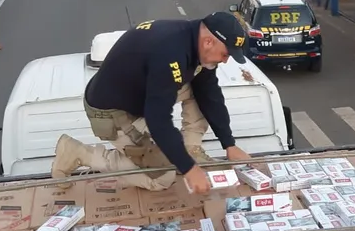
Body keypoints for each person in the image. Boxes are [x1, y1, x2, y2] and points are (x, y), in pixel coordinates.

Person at [50, 12, 252, 194]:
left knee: (199, 89)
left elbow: (209, 93)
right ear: (209, 42)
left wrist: (229, 144)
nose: (225, 61)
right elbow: (159, 120)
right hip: (112, 111)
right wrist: (188, 168)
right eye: (226, 54)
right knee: (162, 178)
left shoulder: (193, 40)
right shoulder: (170, 54)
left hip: (140, 94)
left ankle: (191, 149)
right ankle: (80, 153)